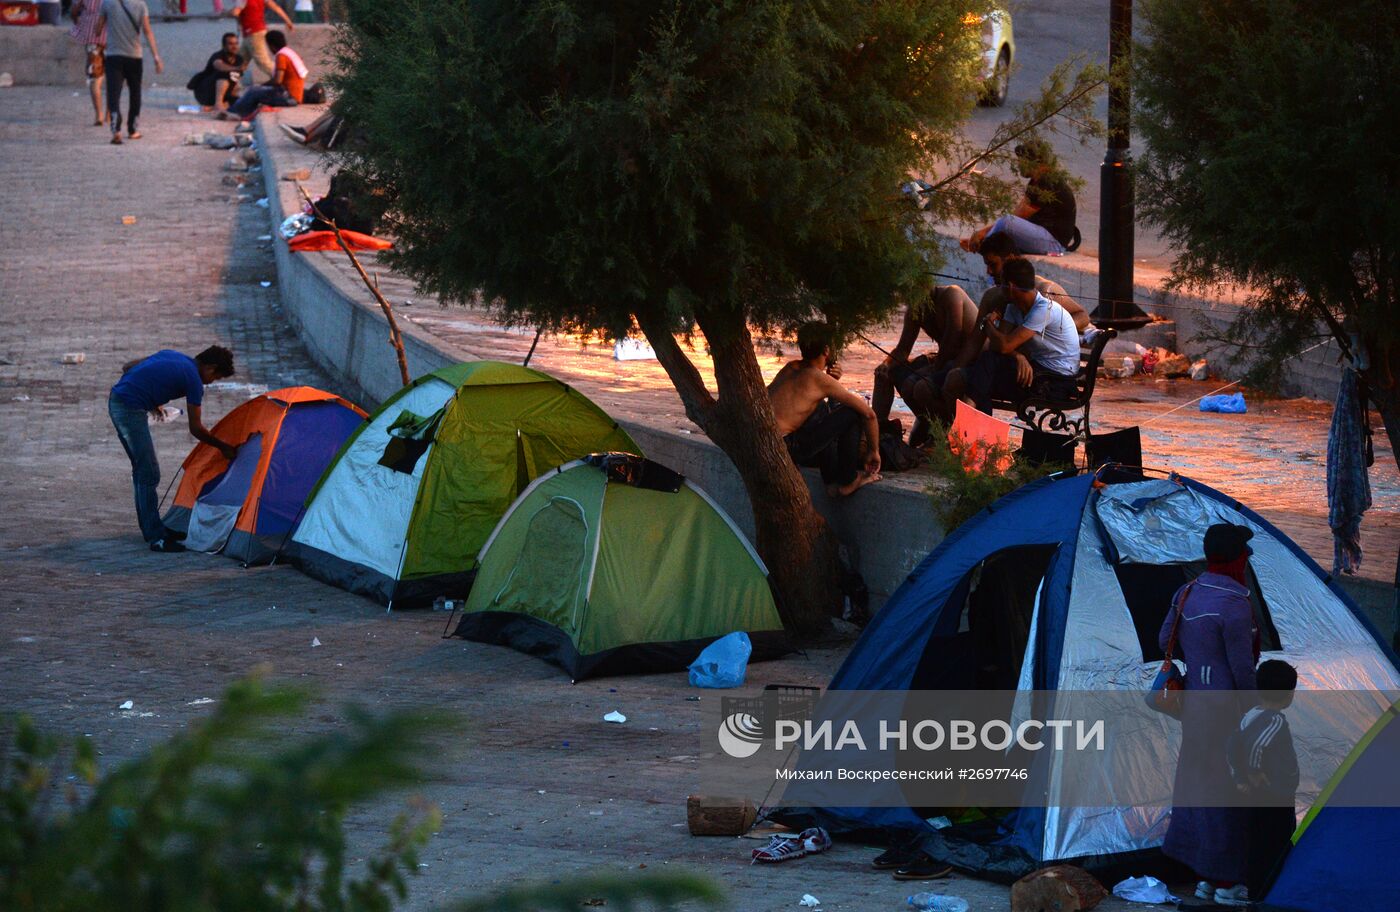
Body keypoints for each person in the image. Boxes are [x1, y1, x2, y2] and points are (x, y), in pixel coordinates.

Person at [1159, 522, 1261, 907]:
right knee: (1229, 792)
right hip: (1224, 709)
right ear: (1237, 558)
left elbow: (1162, 638)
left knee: (1198, 785)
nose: (1249, 557)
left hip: (1195, 706)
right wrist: (1253, 710)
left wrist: (1197, 663)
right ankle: (1228, 881)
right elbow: (1242, 669)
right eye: (1245, 552)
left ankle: (1203, 876)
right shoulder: (1234, 603)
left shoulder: (1187, 591)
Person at [108, 347, 238, 552]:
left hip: (121, 400)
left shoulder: (175, 356)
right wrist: (223, 447)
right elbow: (196, 428)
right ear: (210, 367)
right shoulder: (194, 381)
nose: (211, 382)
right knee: (149, 473)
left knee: (143, 471)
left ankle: (152, 528)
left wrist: (152, 398)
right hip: (128, 410)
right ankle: (156, 537)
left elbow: (129, 367)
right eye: (215, 376)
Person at [943, 256, 1081, 416]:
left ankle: (967, 420)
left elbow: (1003, 345)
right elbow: (997, 346)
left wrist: (987, 324)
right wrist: (1017, 356)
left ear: (1009, 286)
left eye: (1001, 284)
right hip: (1037, 372)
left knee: (980, 374)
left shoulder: (1043, 309)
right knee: (984, 372)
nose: (999, 289)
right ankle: (975, 427)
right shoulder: (1013, 308)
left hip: (1056, 381)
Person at [769, 323, 881, 497]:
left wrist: (830, 381)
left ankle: (830, 482)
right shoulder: (818, 379)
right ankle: (848, 481)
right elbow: (869, 414)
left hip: (769, 442)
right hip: (787, 448)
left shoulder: (790, 368)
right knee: (853, 412)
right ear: (827, 350)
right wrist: (873, 451)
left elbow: (804, 396)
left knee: (820, 406)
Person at [1224, 659, 1299, 906]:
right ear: (1288, 695)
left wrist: (1239, 776)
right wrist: (1253, 772)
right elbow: (1257, 745)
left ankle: (1256, 890)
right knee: (1276, 842)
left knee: (1258, 843)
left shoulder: (1250, 715)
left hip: (1258, 798)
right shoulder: (1275, 720)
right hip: (1275, 795)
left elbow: (1234, 744)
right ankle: (1269, 892)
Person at [872, 285, 979, 444]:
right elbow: (903, 350)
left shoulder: (951, 295)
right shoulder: (916, 309)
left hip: (968, 361)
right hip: (944, 361)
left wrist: (933, 369)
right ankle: (878, 432)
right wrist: (886, 364)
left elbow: (953, 338)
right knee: (886, 374)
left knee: (916, 386)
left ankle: (940, 428)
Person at [961, 140, 1077, 256]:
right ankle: (980, 244)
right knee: (1006, 228)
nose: (1018, 164)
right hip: (1045, 238)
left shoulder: (1046, 182)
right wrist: (984, 234)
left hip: (1054, 245)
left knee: (1006, 223)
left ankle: (981, 244)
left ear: (1035, 161)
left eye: (1022, 160)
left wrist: (983, 233)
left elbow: (1014, 219)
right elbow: (1018, 215)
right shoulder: (1035, 182)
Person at [975, 231, 1092, 334]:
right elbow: (981, 341)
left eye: (993, 265)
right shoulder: (993, 297)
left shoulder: (1045, 292)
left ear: (1009, 259)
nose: (988, 272)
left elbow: (1082, 315)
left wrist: (1054, 331)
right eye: (987, 265)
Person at [97, 0, 163, 144]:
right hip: (134, 56)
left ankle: (116, 129)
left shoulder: (107, 3)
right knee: (135, 92)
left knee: (113, 93)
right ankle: (133, 129)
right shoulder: (140, 5)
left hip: (114, 56)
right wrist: (156, 57)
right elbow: (147, 31)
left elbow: (98, 30)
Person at [222, 29, 306, 120]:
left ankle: (232, 113)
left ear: (272, 46)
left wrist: (262, 85)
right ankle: (241, 113)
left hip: (289, 98)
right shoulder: (289, 52)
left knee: (253, 91)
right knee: (256, 92)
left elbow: (278, 80)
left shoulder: (281, 56)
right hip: (295, 96)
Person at [228, 0, 295, 81]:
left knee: (262, 61)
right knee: (239, 61)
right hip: (258, 31)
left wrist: (228, 12)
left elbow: (235, 12)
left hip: (252, 33)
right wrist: (288, 21)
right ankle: (231, 82)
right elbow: (275, 7)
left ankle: (283, 77)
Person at [68, 0, 107, 126]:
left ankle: (98, 115)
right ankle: (109, 114)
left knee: (94, 77)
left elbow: (74, 11)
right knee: (113, 77)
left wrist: (78, 22)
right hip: (111, 36)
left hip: (91, 37)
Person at [188, 32, 246, 113]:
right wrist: (236, 68)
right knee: (224, 73)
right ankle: (218, 104)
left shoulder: (239, 59)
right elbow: (219, 65)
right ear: (224, 45)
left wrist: (234, 97)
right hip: (204, 92)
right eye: (231, 44)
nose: (234, 47)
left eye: (236, 44)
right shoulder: (218, 55)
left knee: (238, 101)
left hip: (221, 94)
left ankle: (212, 107)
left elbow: (235, 80)